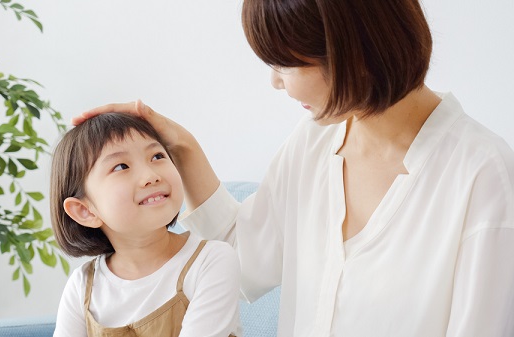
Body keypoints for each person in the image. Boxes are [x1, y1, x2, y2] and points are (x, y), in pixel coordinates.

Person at [74, 0, 514, 336]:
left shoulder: (483, 175)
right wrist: (180, 148)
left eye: (284, 63)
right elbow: (245, 263)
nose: (276, 81)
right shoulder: (315, 141)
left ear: (350, 51)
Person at [50, 113, 241, 337]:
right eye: (121, 167)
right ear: (85, 211)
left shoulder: (211, 261)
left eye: (157, 156)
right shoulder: (83, 286)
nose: (151, 176)